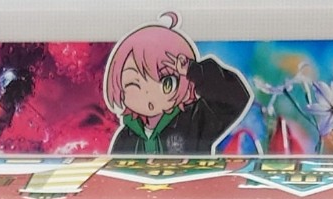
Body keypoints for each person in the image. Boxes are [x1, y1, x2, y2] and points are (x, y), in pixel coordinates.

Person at [104, 13, 250, 156]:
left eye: (166, 83)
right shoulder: (125, 138)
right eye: (134, 85)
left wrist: (194, 70)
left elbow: (236, 99)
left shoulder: (194, 119)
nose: (149, 94)